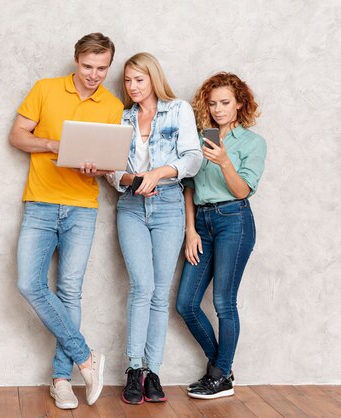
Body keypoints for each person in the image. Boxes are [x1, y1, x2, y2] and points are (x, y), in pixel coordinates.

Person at [9, 33, 124, 409]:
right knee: (29, 283)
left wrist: (95, 167)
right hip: (41, 203)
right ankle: (86, 357)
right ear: (76, 61)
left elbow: (112, 162)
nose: (94, 75)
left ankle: (62, 380)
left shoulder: (111, 104)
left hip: (82, 206)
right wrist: (51, 144)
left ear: (109, 66)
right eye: (88, 67)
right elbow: (17, 136)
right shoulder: (45, 89)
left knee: (70, 291)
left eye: (102, 69)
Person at [106, 52, 202, 405]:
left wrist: (157, 174)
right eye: (128, 81)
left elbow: (192, 157)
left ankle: (153, 372)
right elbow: (112, 170)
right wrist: (132, 179)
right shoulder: (121, 117)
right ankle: (133, 369)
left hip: (169, 206)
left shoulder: (178, 110)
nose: (132, 87)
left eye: (139, 80)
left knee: (160, 293)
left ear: (153, 79)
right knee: (141, 287)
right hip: (131, 206)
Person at [176, 72, 267, 400]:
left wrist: (225, 160)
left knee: (223, 302)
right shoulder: (199, 138)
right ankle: (221, 370)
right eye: (212, 103)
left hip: (234, 221)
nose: (218, 109)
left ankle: (218, 374)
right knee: (185, 303)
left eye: (225, 102)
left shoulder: (253, 143)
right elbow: (187, 186)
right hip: (202, 222)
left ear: (240, 103)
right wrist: (190, 230)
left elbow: (243, 190)